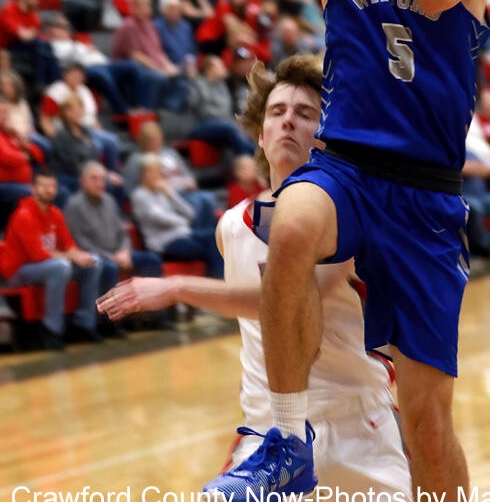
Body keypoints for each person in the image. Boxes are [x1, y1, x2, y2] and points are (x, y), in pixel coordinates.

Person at [208, 0, 490, 497]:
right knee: (290, 228)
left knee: (426, 421)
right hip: (345, 164)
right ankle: (285, 437)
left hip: (426, 192)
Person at [97, 55, 412, 495]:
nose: (288, 122)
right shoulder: (230, 226)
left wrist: (177, 286)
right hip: (270, 431)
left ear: (326, 136)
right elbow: (262, 317)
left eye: (305, 114)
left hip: (357, 424)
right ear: (261, 136)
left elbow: (293, 297)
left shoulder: (348, 213)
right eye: (277, 112)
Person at [0, 170, 102, 349]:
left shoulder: (55, 213)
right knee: (60, 267)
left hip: (45, 266)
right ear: (33, 189)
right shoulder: (23, 214)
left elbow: (69, 245)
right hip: (17, 271)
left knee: (93, 262)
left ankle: (83, 324)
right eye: (43, 185)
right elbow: (37, 255)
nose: (49, 190)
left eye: (52, 186)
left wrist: (78, 255)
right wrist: (71, 256)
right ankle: (51, 329)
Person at [65, 161, 162, 334]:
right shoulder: (74, 205)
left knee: (151, 259)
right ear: (82, 181)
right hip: (97, 256)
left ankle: (153, 316)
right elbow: (79, 241)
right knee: (108, 267)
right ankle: (109, 324)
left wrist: (124, 251)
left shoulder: (109, 200)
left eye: (102, 179)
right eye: (94, 178)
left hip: (118, 253)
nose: (99, 183)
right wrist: (110, 256)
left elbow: (122, 232)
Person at [130, 154, 223, 278]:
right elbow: (160, 218)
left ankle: (218, 281)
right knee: (210, 248)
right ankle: (217, 281)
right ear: (145, 173)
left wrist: (170, 194)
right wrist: (183, 222)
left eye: (159, 171)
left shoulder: (163, 190)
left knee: (215, 235)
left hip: (185, 234)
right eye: (154, 171)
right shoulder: (140, 195)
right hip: (165, 244)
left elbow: (190, 213)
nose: (158, 175)